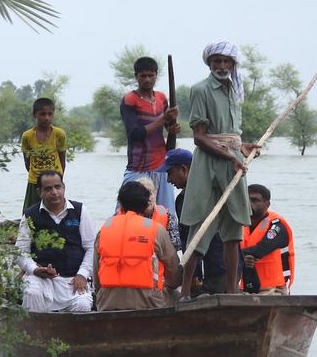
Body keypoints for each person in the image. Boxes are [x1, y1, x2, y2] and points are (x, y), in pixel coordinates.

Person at [179, 41, 261, 299]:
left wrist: (243, 147)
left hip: (234, 161)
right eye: (217, 61)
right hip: (208, 164)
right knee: (200, 227)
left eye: (226, 62)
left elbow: (230, 134)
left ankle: (231, 292)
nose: (222, 66)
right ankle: (184, 293)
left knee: (234, 228)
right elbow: (200, 137)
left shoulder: (236, 91)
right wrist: (230, 155)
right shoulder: (201, 90)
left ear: (233, 64)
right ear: (209, 63)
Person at [93, 181, 182, 311]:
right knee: (178, 295)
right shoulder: (156, 230)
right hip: (149, 303)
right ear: (146, 205)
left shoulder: (104, 230)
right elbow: (174, 275)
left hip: (107, 303)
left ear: (121, 205)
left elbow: (96, 277)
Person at [15, 171, 94, 312]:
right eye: (48, 189)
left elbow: (91, 247)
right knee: (32, 293)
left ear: (64, 187)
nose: (54, 192)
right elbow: (20, 252)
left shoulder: (79, 211)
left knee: (83, 305)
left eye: (58, 187)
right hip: (41, 279)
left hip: (73, 279)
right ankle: (34, 332)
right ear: (39, 192)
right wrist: (34, 269)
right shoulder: (30, 215)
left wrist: (82, 274)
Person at [120, 56, 181, 221]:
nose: (147, 79)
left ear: (156, 75)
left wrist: (173, 127)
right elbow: (135, 134)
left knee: (166, 216)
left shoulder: (161, 98)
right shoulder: (129, 100)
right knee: (127, 213)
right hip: (138, 167)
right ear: (136, 76)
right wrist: (163, 119)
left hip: (161, 166)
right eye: (143, 76)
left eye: (150, 75)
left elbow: (168, 127)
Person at [164, 148, 226, 296]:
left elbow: (190, 239)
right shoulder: (215, 187)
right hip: (227, 265)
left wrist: (192, 275)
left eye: (170, 173)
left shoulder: (186, 198)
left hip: (211, 267)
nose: (168, 180)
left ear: (184, 169)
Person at [240, 184, 295, 295]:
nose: (249, 203)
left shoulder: (277, 225)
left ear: (267, 204)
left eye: (255, 200)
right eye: (247, 199)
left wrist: (237, 257)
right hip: (247, 287)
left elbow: (260, 250)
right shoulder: (239, 224)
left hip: (273, 288)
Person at [21, 98, 67, 212]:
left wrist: (58, 180)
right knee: (31, 212)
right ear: (35, 115)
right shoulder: (27, 136)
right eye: (42, 114)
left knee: (55, 211)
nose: (46, 118)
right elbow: (27, 162)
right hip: (34, 182)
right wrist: (37, 177)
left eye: (50, 114)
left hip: (53, 180)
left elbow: (62, 160)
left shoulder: (59, 134)